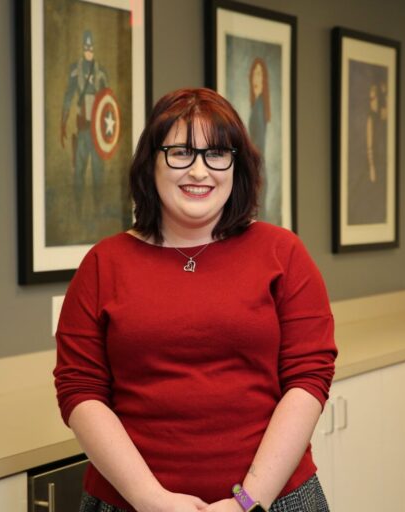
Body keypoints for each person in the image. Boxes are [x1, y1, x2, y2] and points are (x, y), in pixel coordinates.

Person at [54, 88, 337, 512]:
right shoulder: (102, 264)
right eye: (180, 152)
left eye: (217, 153)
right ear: (151, 162)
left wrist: (246, 502)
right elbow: (80, 391)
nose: (199, 171)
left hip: (271, 501)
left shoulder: (283, 254)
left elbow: (308, 379)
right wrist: (152, 500)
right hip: (130, 504)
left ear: (236, 166)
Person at [60, 29, 110, 216]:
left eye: (91, 46)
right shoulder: (76, 70)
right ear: (82, 47)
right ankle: (78, 209)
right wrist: (63, 123)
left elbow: (108, 102)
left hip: (98, 131)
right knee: (79, 169)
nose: (88, 49)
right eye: (86, 46)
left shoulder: (101, 71)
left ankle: (98, 208)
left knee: (98, 171)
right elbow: (68, 97)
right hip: (82, 128)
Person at [247, 58, 270, 221]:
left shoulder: (259, 107)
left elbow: (259, 144)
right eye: (254, 74)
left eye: (259, 75)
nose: (257, 79)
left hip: (258, 170)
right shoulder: (257, 104)